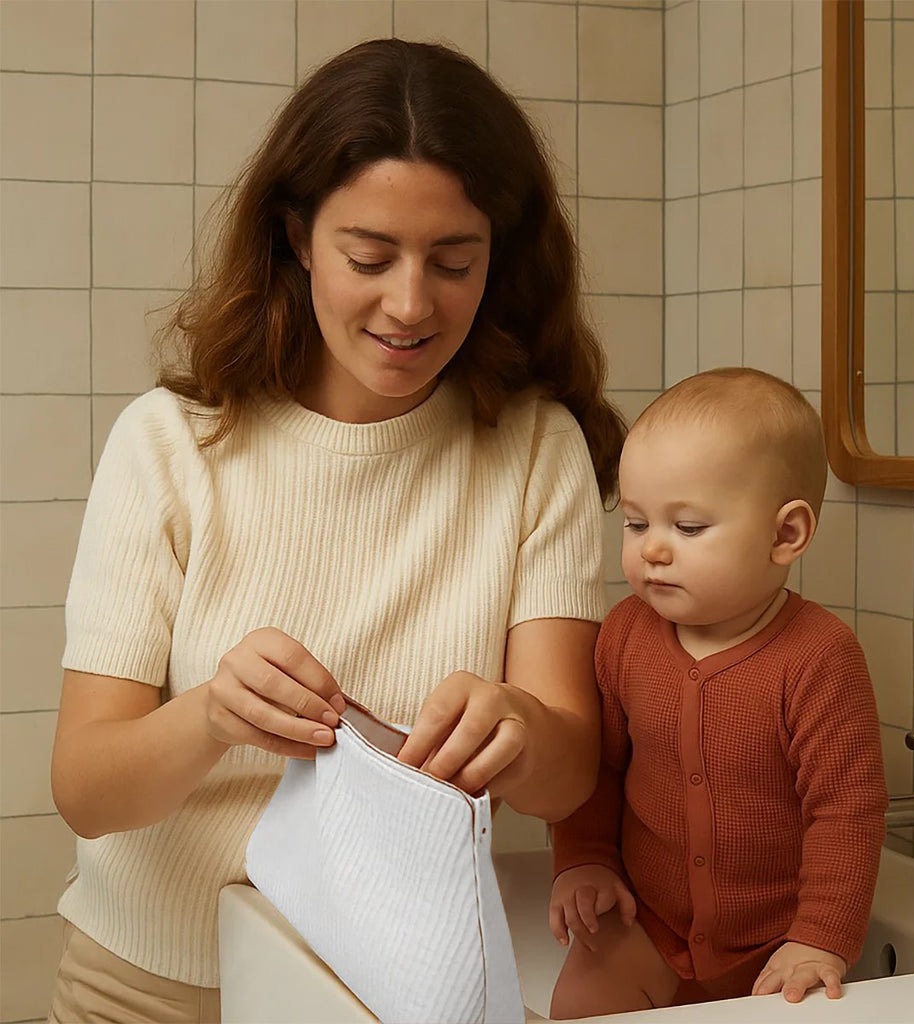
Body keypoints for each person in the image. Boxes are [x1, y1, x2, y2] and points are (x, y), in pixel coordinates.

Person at [48, 38, 626, 1024]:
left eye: (454, 262)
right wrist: (210, 718)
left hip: (392, 997)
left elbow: (568, 774)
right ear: (297, 237)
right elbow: (85, 787)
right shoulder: (169, 443)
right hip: (150, 993)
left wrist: (521, 730)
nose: (411, 304)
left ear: (502, 253)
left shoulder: (535, 449)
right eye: (369, 257)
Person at [547, 367, 888, 1017]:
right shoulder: (623, 635)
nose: (654, 551)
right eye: (638, 524)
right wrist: (582, 861)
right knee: (579, 1005)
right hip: (645, 921)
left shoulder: (820, 657)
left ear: (785, 535)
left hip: (773, 944)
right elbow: (598, 767)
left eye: (689, 528)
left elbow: (847, 811)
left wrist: (820, 935)